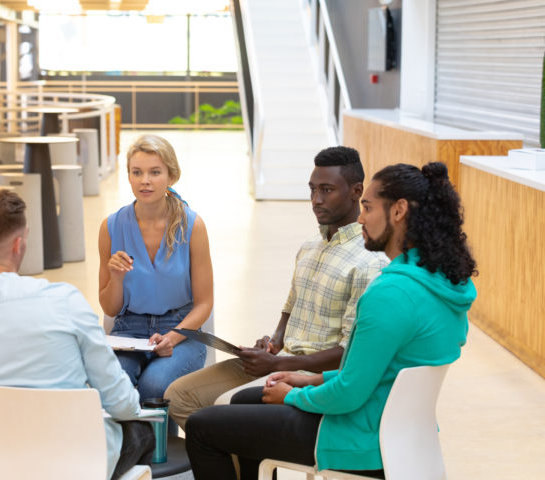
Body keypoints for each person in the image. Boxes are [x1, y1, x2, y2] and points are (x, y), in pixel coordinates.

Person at [184, 162, 478, 480]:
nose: (361, 218)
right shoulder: (445, 282)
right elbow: (377, 371)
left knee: (202, 426)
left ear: (398, 211)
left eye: (367, 207)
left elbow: (350, 394)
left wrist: (292, 396)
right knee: (243, 401)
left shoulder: (391, 292)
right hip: (402, 432)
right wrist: (311, 380)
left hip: (357, 438)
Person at [0, 190, 154, 479]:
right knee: (141, 432)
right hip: (73, 463)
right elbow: (120, 401)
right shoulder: (65, 302)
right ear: (19, 244)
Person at [165, 146, 389, 429]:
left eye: (327, 190)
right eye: (312, 190)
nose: (316, 200)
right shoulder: (309, 247)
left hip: (311, 377)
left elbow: (349, 352)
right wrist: (272, 343)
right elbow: (289, 310)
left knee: (220, 416)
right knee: (178, 395)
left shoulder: (369, 262)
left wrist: (277, 366)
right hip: (280, 362)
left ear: (357, 191)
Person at [98, 134, 213, 404]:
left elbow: (204, 303)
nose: (144, 181)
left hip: (182, 330)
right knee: (117, 386)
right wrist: (116, 278)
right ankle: (131, 448)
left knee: (154, 387)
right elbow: (110, 309)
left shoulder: (192, 226)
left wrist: (172, 338)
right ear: (128, 176)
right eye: (136, 172)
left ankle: (159, 447)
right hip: (129, 330)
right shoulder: (111, 227)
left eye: (154, 172)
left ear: (171, 177)